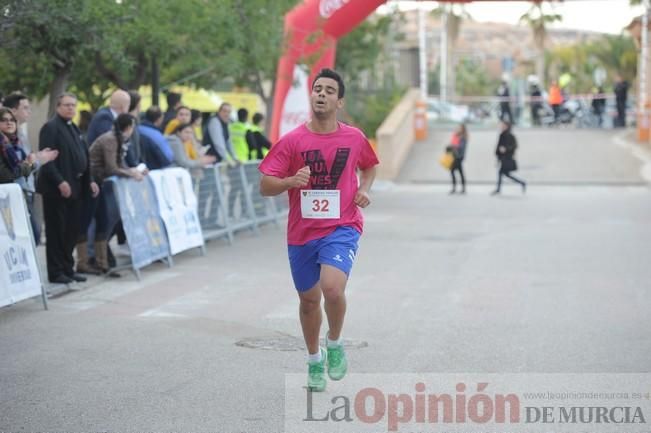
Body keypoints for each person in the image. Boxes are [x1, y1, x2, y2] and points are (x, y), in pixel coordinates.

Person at [259, 68, 379, 392]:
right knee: (309, 301)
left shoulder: (353, 137)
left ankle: (336, 342)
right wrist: (288, 181)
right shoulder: (293, 141)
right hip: (302, 233)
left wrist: (365, 188)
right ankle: (314, 359)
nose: (321, 94)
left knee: (332, 289)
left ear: (339, 101)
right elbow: (265, 185)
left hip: (342, 225)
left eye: (328, 90)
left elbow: (369, 165)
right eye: (317, 89)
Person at [37, 93, 99, 284]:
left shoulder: (74, 128)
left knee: (71, 231)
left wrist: (90, 180)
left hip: (77, 188)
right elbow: (46, 160)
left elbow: (84, 157)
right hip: (57, 189)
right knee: (57, 231)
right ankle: (56, 272)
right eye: (67, 105)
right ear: (58, 107)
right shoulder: (51, 127)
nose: (71, 108)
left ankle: (67, 268)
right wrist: (60, 182)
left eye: (73, 105)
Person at [87, 114, 145, 273]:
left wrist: (132, 170)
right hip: (97, 183)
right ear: (128, 127)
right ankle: (95, 258)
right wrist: (132, 174)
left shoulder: (117, 139)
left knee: (108, 220)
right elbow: (112, 168)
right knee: (105, 220)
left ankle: (102, 259)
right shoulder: (111, 140)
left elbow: (118, 165)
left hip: (102, 182)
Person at [491, 120, 526, 195]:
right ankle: (522, 183)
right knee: (505, 174)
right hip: (502, 158)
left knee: (502, 173)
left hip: (508, 158)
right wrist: (498, 154)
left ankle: (498, 189)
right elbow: (498, 146)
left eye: (503, 125)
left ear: (507, 126)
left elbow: (515, 146)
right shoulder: (501, 135)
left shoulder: (511, 136)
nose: (501, 127)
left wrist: (506, 149)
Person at [447, 123, 467, 194]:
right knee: (457, 172)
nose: (458, 129)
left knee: (457, 172)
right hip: (454, 156)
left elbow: (461, 147)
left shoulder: (463, 137)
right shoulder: (456, 136)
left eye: (459, 128)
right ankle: (459, 188)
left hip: (459, 157)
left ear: (462, 129)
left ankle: (458, 188)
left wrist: (454, 145)